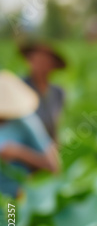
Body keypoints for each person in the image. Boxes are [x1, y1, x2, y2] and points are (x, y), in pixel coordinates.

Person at [0, 70, 60, 199]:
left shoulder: (26, 123)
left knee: (11, 218)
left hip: (14, 198)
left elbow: (54, 166)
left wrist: (18, 153)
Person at [20, 42, 67, 142]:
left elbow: (55, 126)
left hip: (47, 147)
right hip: (23, 144)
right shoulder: (20, 87)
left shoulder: (58, 92)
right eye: (36, 59)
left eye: (44, 61)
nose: (39, 65)